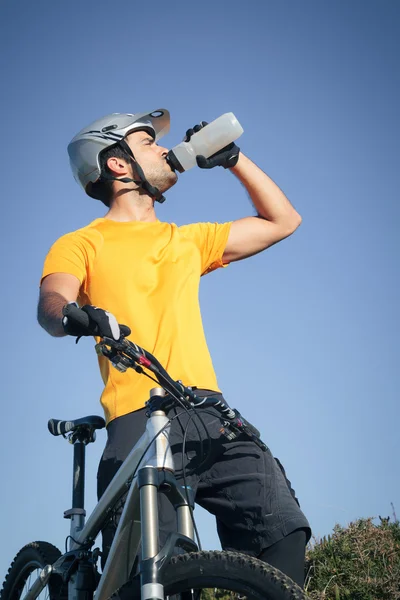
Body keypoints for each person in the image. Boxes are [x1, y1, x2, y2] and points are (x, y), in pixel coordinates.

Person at [37, 108, 311, 588]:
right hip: (137, 416)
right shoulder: (82, 242)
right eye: (148, 142)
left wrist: (234, 160)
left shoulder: (187, 240)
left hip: (207, 409)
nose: (165, 150)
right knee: (150, 571)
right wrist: (71, 315)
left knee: (280, 530)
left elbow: (283, 220)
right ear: (118, 164)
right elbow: (52, 300)